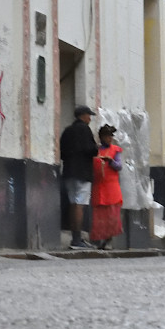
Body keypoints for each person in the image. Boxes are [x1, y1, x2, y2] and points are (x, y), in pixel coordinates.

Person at [60, 105, 98, 249]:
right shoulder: (85, 130)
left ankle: (75, 238)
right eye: (89, 115)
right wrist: (97, 148)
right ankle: (77, 239)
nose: (90, 118)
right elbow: (90, 150)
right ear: (83, 115)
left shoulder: (67, 131)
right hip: (82, 173)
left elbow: (62, 152)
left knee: (72, 203)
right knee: (80, 204)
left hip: (69, 172)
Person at [89, 124, 123, 250]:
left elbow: (119, 166)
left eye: (110, 137)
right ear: (101, 137)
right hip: (99, 185)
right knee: (100, 215)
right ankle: (100, 239)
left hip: (112, 186)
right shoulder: (96, 150)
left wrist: (111, 161)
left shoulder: (116, 150)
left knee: (112, 215)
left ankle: (109, 239)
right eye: (106, 136)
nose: (109, 139)